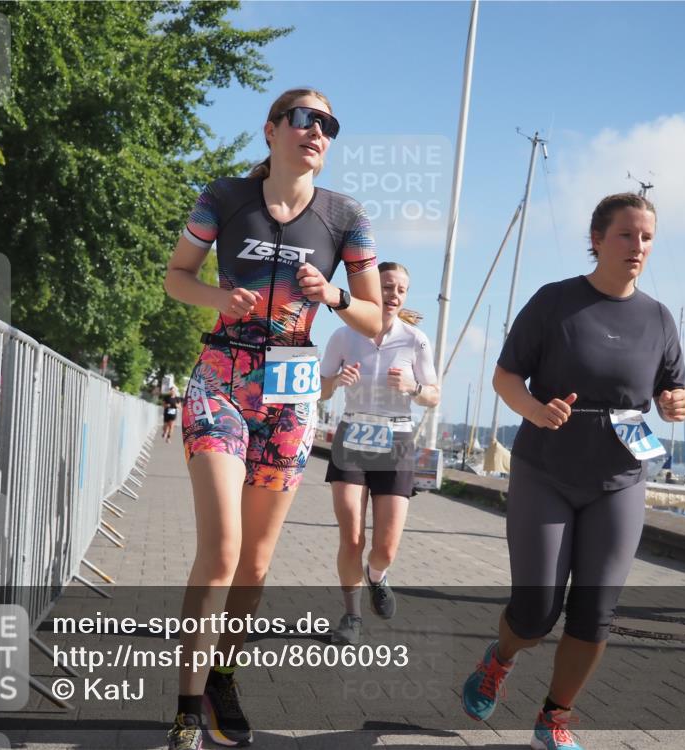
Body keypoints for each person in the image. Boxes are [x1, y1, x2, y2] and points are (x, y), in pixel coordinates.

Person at [162, 88, 382, 750]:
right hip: (222, 375)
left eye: (329, 124)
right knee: (222, 549)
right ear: (271, 129)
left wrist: (334, 294)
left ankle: (222, 678)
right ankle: (186, 710)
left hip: (290, 385)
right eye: (306, 118)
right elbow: (176, 276)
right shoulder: (224, 197)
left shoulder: (347, 217)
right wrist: (217, 296)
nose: (318, 131)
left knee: (255, 565)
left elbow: (375, 318)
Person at [460, 193, 685, 750]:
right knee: (536, 611)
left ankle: (553, 719)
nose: (638, 246)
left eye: (647, 237)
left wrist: (674, 403)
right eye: (626, 234)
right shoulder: (555, 301)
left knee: (595, 613)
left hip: (620, 479)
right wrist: (535, 410)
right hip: (547, 471)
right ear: (598, 240)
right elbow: (505, 377)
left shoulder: (659, 318)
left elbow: (671, 389)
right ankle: (500, 659)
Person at [319, 262, 440, 644]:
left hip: (396, 439)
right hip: (353, 435)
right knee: (352, 538)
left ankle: (377, 576)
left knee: (385, 547)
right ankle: (352, 616)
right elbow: (319, 390)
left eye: (401, 289)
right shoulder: (343, 335)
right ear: (372, 288)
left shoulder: (415, 340)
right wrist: (337, 381)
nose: (394, 295)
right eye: (388, 286)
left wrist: (413, 387)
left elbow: (434, 396)